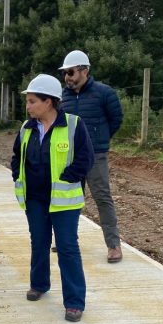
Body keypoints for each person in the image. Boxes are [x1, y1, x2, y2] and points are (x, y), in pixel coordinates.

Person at [11, 74, 94, 322]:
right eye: (28, 101)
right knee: (39, 242)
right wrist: (17, 175)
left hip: (63, 201)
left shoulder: (73, 125)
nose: (28, 106)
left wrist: (69, 177)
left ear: (48, 102)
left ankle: (74, 302)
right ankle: (39, 284)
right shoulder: (26, 128)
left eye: (32, 101)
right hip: (35, 199)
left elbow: (86, 158)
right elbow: (17, 157)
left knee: (67, 248)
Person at [59, 50, 124, 263]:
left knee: (102, 198)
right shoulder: (63, 96)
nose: (67, 77)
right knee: (69, 199)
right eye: (65, 73)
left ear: (84, 71)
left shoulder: (104, 93)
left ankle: (113, 245)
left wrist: (99, 139)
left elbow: (116, 119)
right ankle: (66, 240)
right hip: (71, 156)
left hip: (96, 155)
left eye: (70, 72)